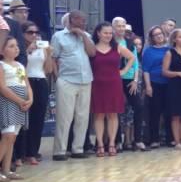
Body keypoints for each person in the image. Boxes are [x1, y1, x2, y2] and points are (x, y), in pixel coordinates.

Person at [51, 10, 96, 160]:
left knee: (82, 117)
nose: (84, 22)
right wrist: (57, 78)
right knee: (65, 117)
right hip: (67, 80)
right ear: (72, 20)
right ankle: (60, 151)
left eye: (85, 20)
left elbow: (92, 53)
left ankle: (78, 148)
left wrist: (83, 35)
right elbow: (53, 58)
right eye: (81, 20)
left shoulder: (87, 36)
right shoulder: (58, 36)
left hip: (86, 80)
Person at [90, 22, 135, 157]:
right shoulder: (92, 48)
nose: (108, 35)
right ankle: (100, 144)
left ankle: (111, 143)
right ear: (98, 33)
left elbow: (132, 57)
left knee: (113, 114)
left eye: (110, 33)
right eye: (105, 33)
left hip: (114, 83)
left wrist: (124, 70)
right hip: (97, 84)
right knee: (99, 114)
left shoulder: (118, 47)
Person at [0, 37, 32, 181]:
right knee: (7, 136)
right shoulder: (1, 65)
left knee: (12, 138)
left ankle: (7, 170)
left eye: (16, 45)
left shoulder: (20, 65)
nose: (16, 48)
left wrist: (30, 99)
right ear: (2, 50)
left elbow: (26, 84)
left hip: (22, 103)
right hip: (9, 102)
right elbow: (2, 87)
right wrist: (19, 100)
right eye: (11, 46)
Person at [22, 21, 53, 165]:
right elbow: (20, 66)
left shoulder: (42, 47)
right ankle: (20, 152)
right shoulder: (20, 47)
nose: (34, 35)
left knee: (38, 119)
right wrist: (28, 50)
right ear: (23, 34)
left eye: (36, 32)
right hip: (25, 82)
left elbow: (48, 70)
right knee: (24, 119)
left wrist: (48, 53)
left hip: (40, 81)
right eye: (30, 32)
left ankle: (33, 152)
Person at [112, 17, 145, 152]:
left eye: (123, 25)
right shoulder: (111, 42)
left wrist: (135, 80)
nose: (121, 28)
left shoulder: (130, 43)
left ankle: (137, 140)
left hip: (130, 79)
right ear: (113, 27)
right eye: (118, 26)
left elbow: (135, 62)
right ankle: (118, 141)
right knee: (117, 109)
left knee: (139, 106)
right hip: (115, 79)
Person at [142, 26, 172, 148]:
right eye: (156, 35)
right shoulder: (149, 51)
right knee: (155, 113)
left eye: (160, 33)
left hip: (169, 83)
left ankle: (171, 139)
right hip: (155, 83)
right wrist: (148, 86)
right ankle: (155, 139)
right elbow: (146, 70)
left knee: (169, 112)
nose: (159, 36)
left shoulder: (169, 49)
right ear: (152, 38)